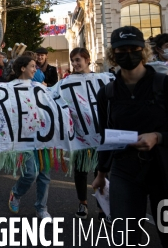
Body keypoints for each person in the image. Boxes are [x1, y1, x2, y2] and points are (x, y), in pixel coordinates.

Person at [92, 26, 168, 245]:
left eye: (133, 48)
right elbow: (106, 135)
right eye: (121, 50)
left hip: (166, 171)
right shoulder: (107, 93)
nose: (127, 54)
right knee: (124, 238)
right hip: (126, 171)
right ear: (112, 55)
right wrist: (101, 172)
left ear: (143, 51)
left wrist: (158, 137)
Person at [8, 55, 52, 219]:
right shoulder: (9, 87)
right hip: (23, 136)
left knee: (45, 175)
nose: (35, 69)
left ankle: (41, 207)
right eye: (32, 66)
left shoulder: (39, 87)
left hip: (43, 135)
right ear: (22, 68)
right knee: (30, 173)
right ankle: (17, 193)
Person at [66, 48, 107, 221]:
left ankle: (102, 206)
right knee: (81, 170)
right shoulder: (67, 81)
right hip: (80, 133)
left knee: (101, 170)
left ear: (87, 60)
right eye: (73, 61)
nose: (75, 64)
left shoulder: (102, 79)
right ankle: (82, 202)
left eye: (78, 60)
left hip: (100, 133)